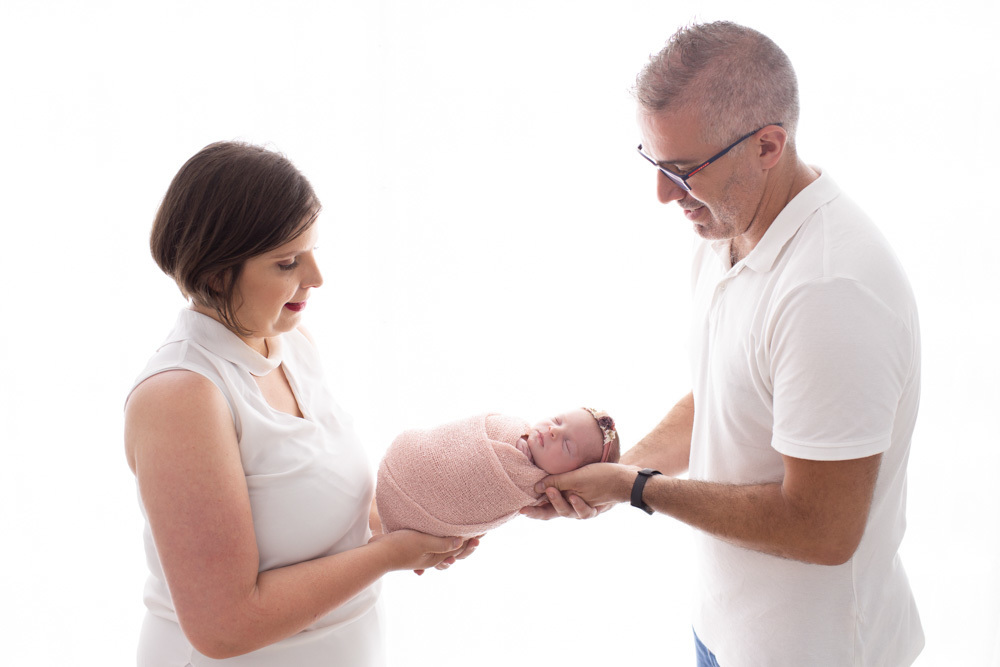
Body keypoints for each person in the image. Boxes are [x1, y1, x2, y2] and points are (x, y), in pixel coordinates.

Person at [522, 21, 924, 666]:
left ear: (768, 146)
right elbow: (729, 387)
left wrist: (636, 487)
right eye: (654, 162)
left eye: (683, 170)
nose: (662, 193)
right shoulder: (728, 225)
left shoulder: (832, 290)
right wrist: (613, 469)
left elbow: (822, 530)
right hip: (725, 630)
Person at [124, 141, 477, 666]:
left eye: (312, 252)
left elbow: (318, 514)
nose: (315, 277)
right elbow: (224, 628)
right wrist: (390, 556)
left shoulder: (292, 344)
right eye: (288, 262)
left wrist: (418, 526)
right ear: (217, 273)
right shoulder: (182, 397)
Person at [377, 408, 619, 537]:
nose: (553, 431)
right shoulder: (510, 426)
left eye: (567, 445)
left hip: (419, 515)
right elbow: (454, 438)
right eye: (557, 420)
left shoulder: (538, 491)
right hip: (408, 458)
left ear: (575, 476)